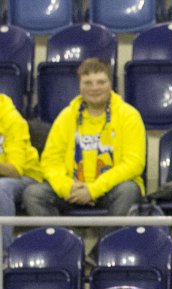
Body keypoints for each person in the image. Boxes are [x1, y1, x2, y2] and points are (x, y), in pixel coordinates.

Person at [23, 58, 145, 218]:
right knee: (33, 194)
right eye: (88, 83)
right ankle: (63, 235)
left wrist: (93, 190)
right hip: (72, 190)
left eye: (101, 82)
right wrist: (67, 187)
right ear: (80, 86)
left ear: (111, 84)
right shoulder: (66, 116)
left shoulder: (129, 116)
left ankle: (107, 236)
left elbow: (133, 164)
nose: (94, 88)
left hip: (110, 189)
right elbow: (50, 162)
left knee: (129, 190)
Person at [0, 93, 43, 254]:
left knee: (1, 188)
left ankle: (4, 253)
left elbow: (15, 170)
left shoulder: (12, 119)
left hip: (27, 177)